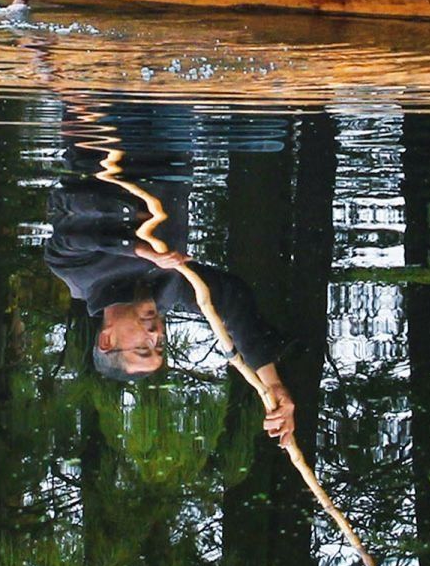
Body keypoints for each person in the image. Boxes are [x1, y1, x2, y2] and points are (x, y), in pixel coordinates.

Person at [43, 101, 298, 441]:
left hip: (104, 135)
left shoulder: (73, 273)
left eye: (143, 348)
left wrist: (135, 247)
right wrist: (272, 382)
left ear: (107, 340)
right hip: (171, 155)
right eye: (159, 347)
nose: (155, 336)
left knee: (121, 76)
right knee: (271, 135)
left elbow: (70, 237)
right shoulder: (170, 290)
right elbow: (231, 301)